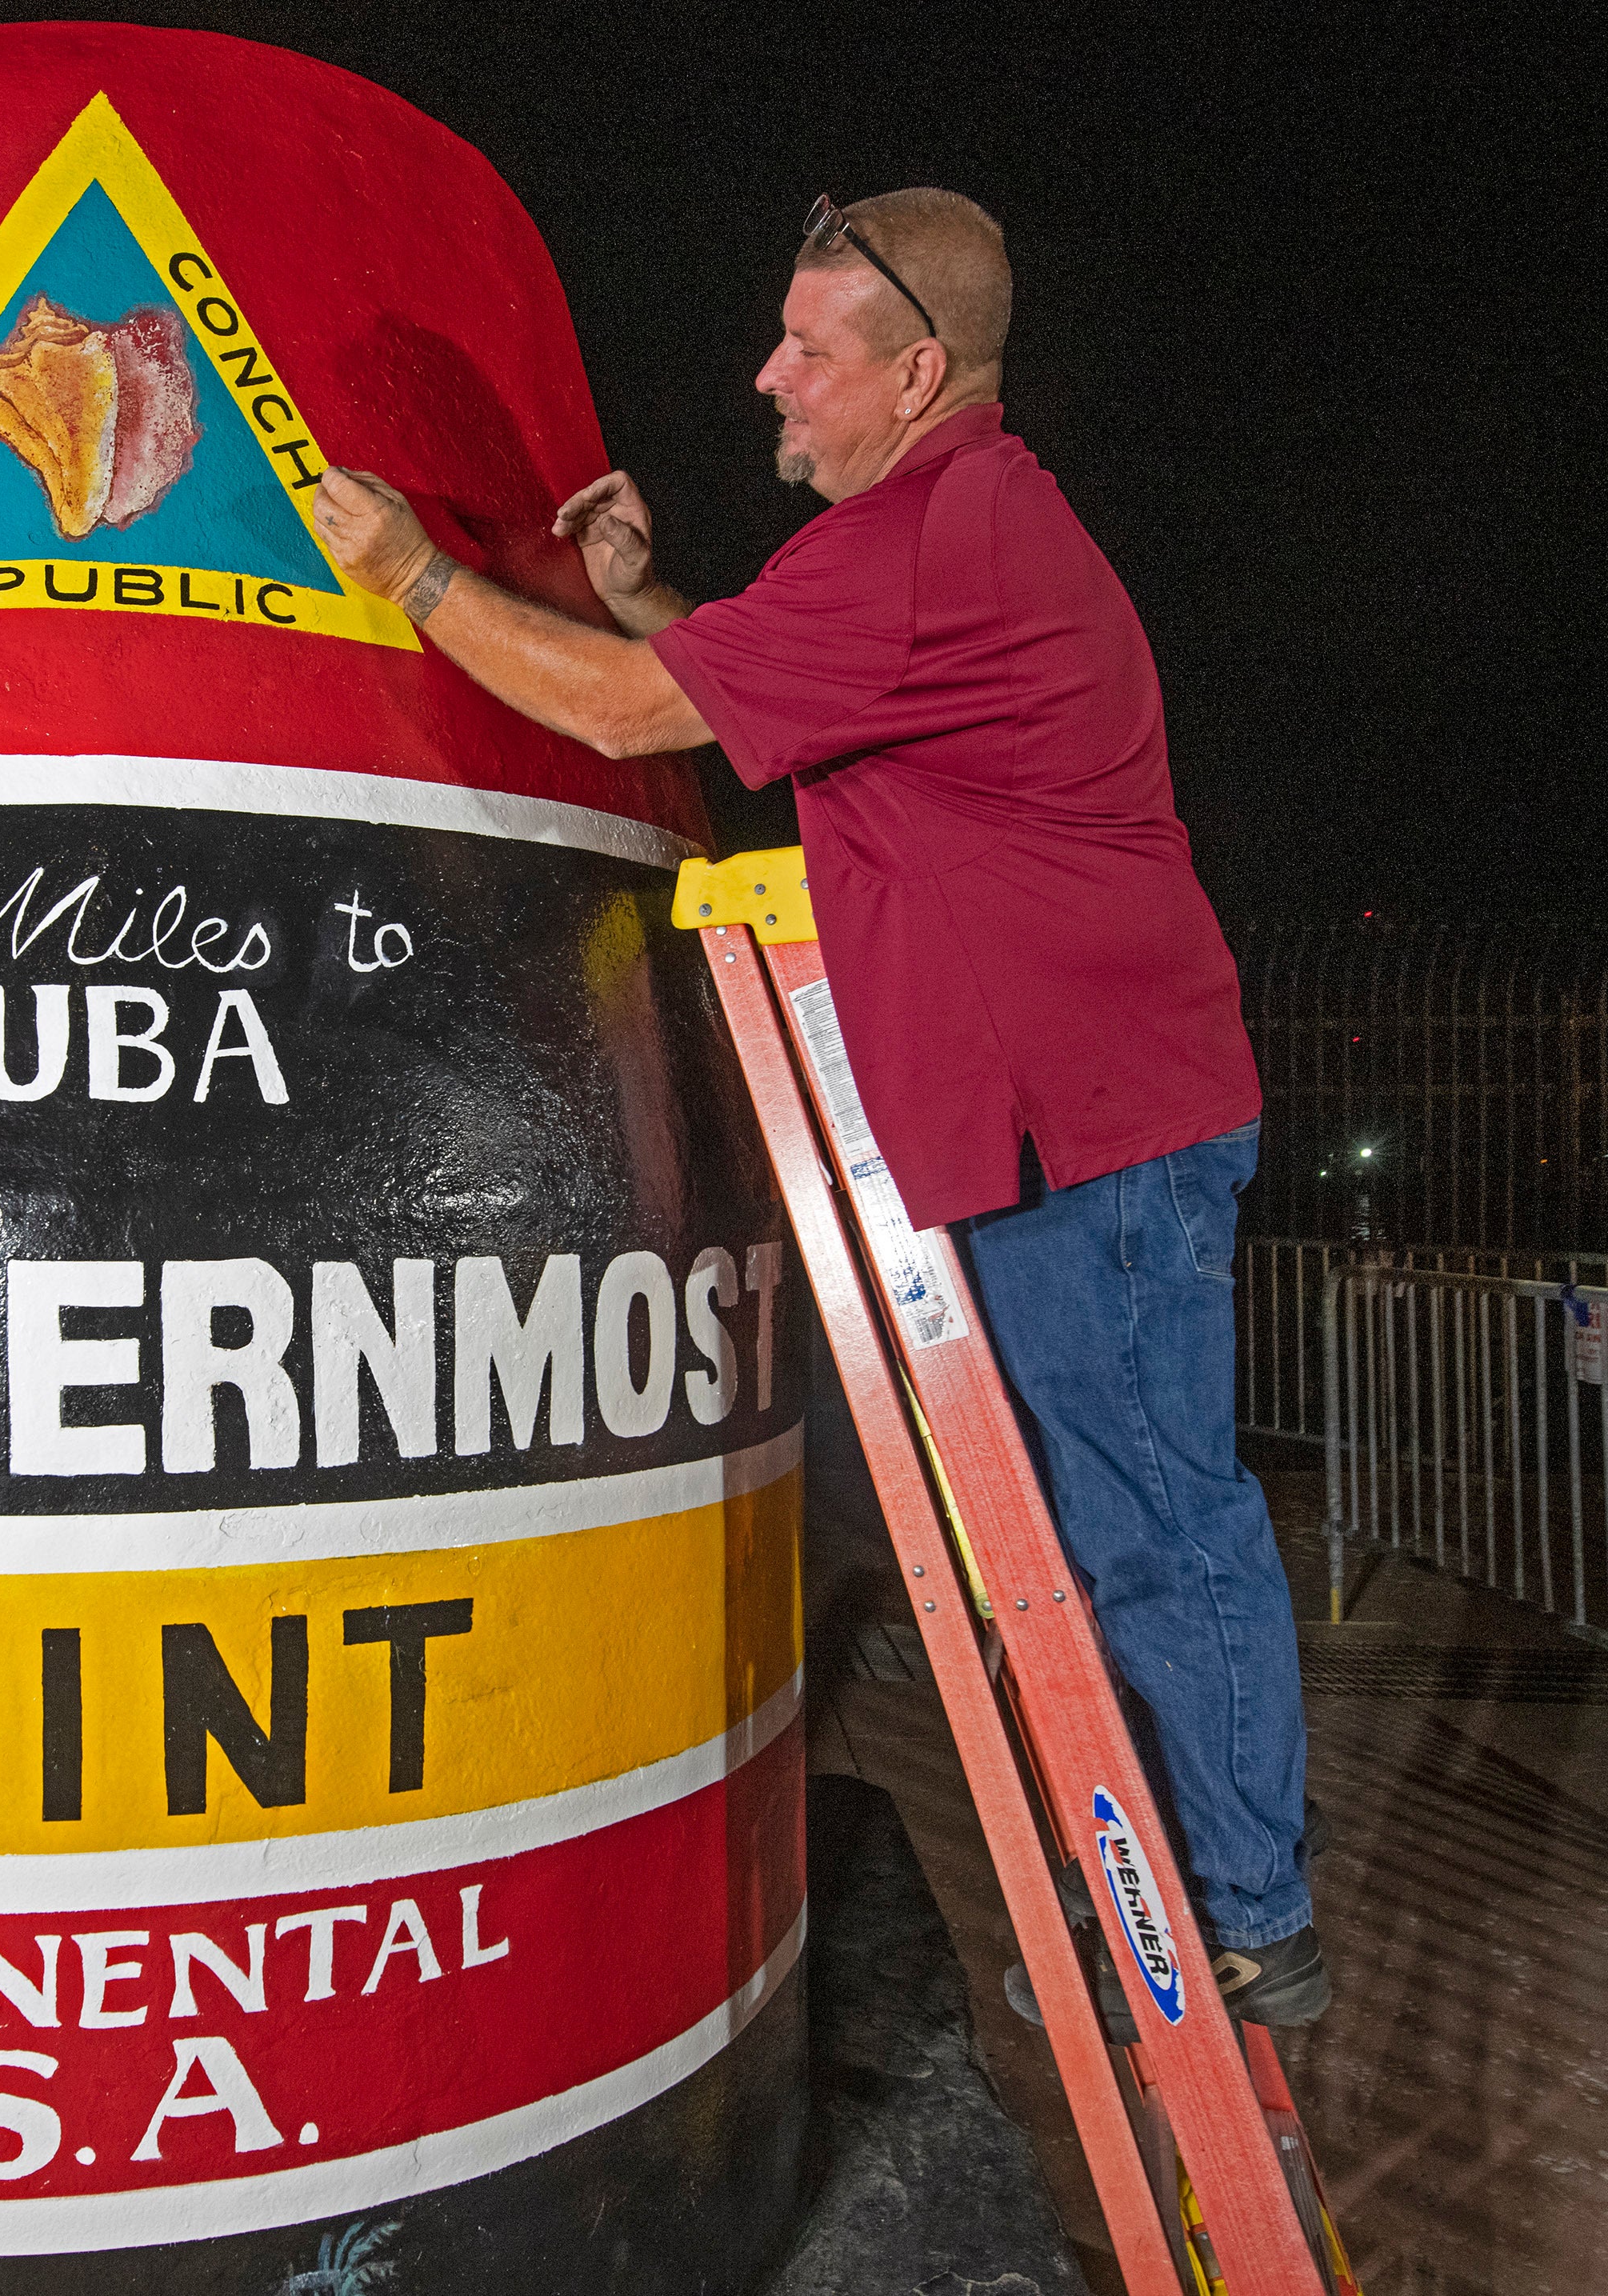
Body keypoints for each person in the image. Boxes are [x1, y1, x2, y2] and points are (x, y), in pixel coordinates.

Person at [310, 188, 1327, 2028]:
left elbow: (633, 724)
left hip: (1095, 1131)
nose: (767, 376)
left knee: (1156, 1529)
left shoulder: (927, 544)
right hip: (1060, 1122)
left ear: (916, 371)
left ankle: (1244, 1916)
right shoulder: (943, 540)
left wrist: (413, 579)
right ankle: (1190, 1887)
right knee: (1107, 1534)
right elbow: (740, 692)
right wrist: (642, 596)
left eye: (809, 349)